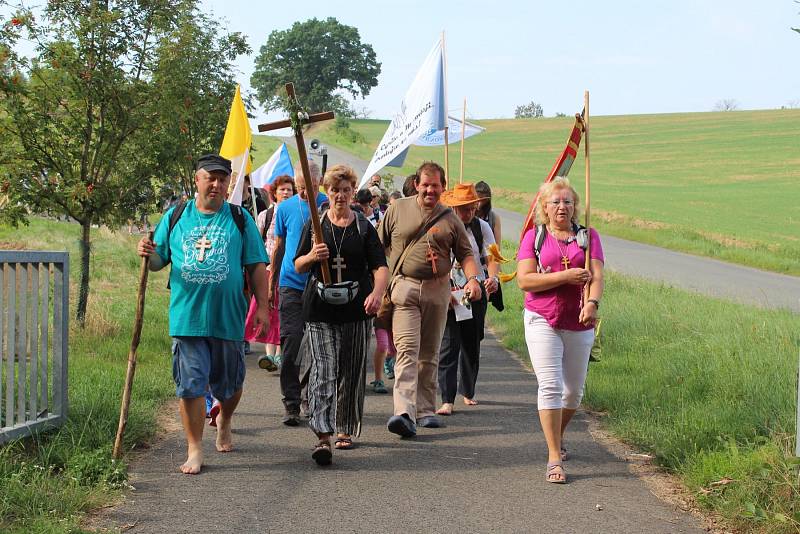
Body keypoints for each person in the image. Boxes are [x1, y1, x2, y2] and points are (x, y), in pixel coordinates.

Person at [136, 154, 269, 474]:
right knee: (190, 385)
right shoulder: (176, 216)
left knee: (230, 384)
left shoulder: (240, 218)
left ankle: (225, 417)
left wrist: (263, 307)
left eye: (223, 179)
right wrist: (148, 253)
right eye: (210, 177)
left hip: (229, 317)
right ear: (196, 180)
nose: (216, 184)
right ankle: (194, 448)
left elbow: (256, 265)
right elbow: (158, 262)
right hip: (187, 317)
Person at [378, 161, 482, 437]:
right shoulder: (397, 209)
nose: (429, 190)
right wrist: (379, 283)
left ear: (442, 187)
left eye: (435, 185)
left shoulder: (450, 218)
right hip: (405, 289)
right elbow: (378, 247)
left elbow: (466, 254)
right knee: (408, 350)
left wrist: (473, 279)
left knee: (430, 353)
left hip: (438, 292)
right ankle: (403, 411)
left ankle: (425, 410)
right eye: (425, 184)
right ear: (416, 184)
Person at [294, 164, 389, 464]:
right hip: (320, 308)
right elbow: (297, 264)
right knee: (324, 369)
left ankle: (344, 428)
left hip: (356, 309)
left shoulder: (363, 227)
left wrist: (377, 293)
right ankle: (323, 436)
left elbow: (380, 266)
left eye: (346, 190)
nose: (340, 196)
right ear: (327, 191)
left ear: (352, 193)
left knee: (350, 370)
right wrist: (312, 256)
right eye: (335, 190)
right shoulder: (315, 225)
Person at [516, 176, 604, 484]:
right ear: (544, 207)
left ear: (575, 205)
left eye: (568, 201)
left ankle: (556, 432)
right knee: (550, 386)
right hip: (542, 318)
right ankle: (554, 456)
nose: (562, 207)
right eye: (555, 201)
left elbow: (596, 275)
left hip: (578, 321)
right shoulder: (534, 237)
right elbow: (525, 280)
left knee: (573, 392)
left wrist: (592, 302)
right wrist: (565, 276)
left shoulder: (588, 237)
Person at [270, 160, 327, 426]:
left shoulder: (328, 204)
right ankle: (291, 402)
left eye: (310, 187)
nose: (304, 193)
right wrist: (272, 284)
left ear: (320, 183)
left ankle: (310, 396)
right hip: (291, 284)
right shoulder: (285, 207)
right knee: (291, 342)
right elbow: (280, 247)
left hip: (320, 285)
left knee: (318, 347)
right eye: (300, 187)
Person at [436, 183, 500, 416]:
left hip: (475, 291)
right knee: (448, 344)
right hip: (449, 292)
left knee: (471, 343)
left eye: (472, 207)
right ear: (453, 208)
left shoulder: (482, 227)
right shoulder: (442, 226)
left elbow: (492, 255)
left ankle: (468, 390)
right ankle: (447, 398)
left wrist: (493, 278)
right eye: (464, 208)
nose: (469, 212)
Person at [248, 175, 296, 372]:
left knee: (283, 311)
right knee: (267, 309)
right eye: (282, 189)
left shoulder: (297, 213)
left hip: (289, 272)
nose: (286, 193)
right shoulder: (264, 216)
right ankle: (269, 355)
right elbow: (257, 244)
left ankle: (279, 355)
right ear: (274, 193)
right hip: (268, 271)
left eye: (289, 190)